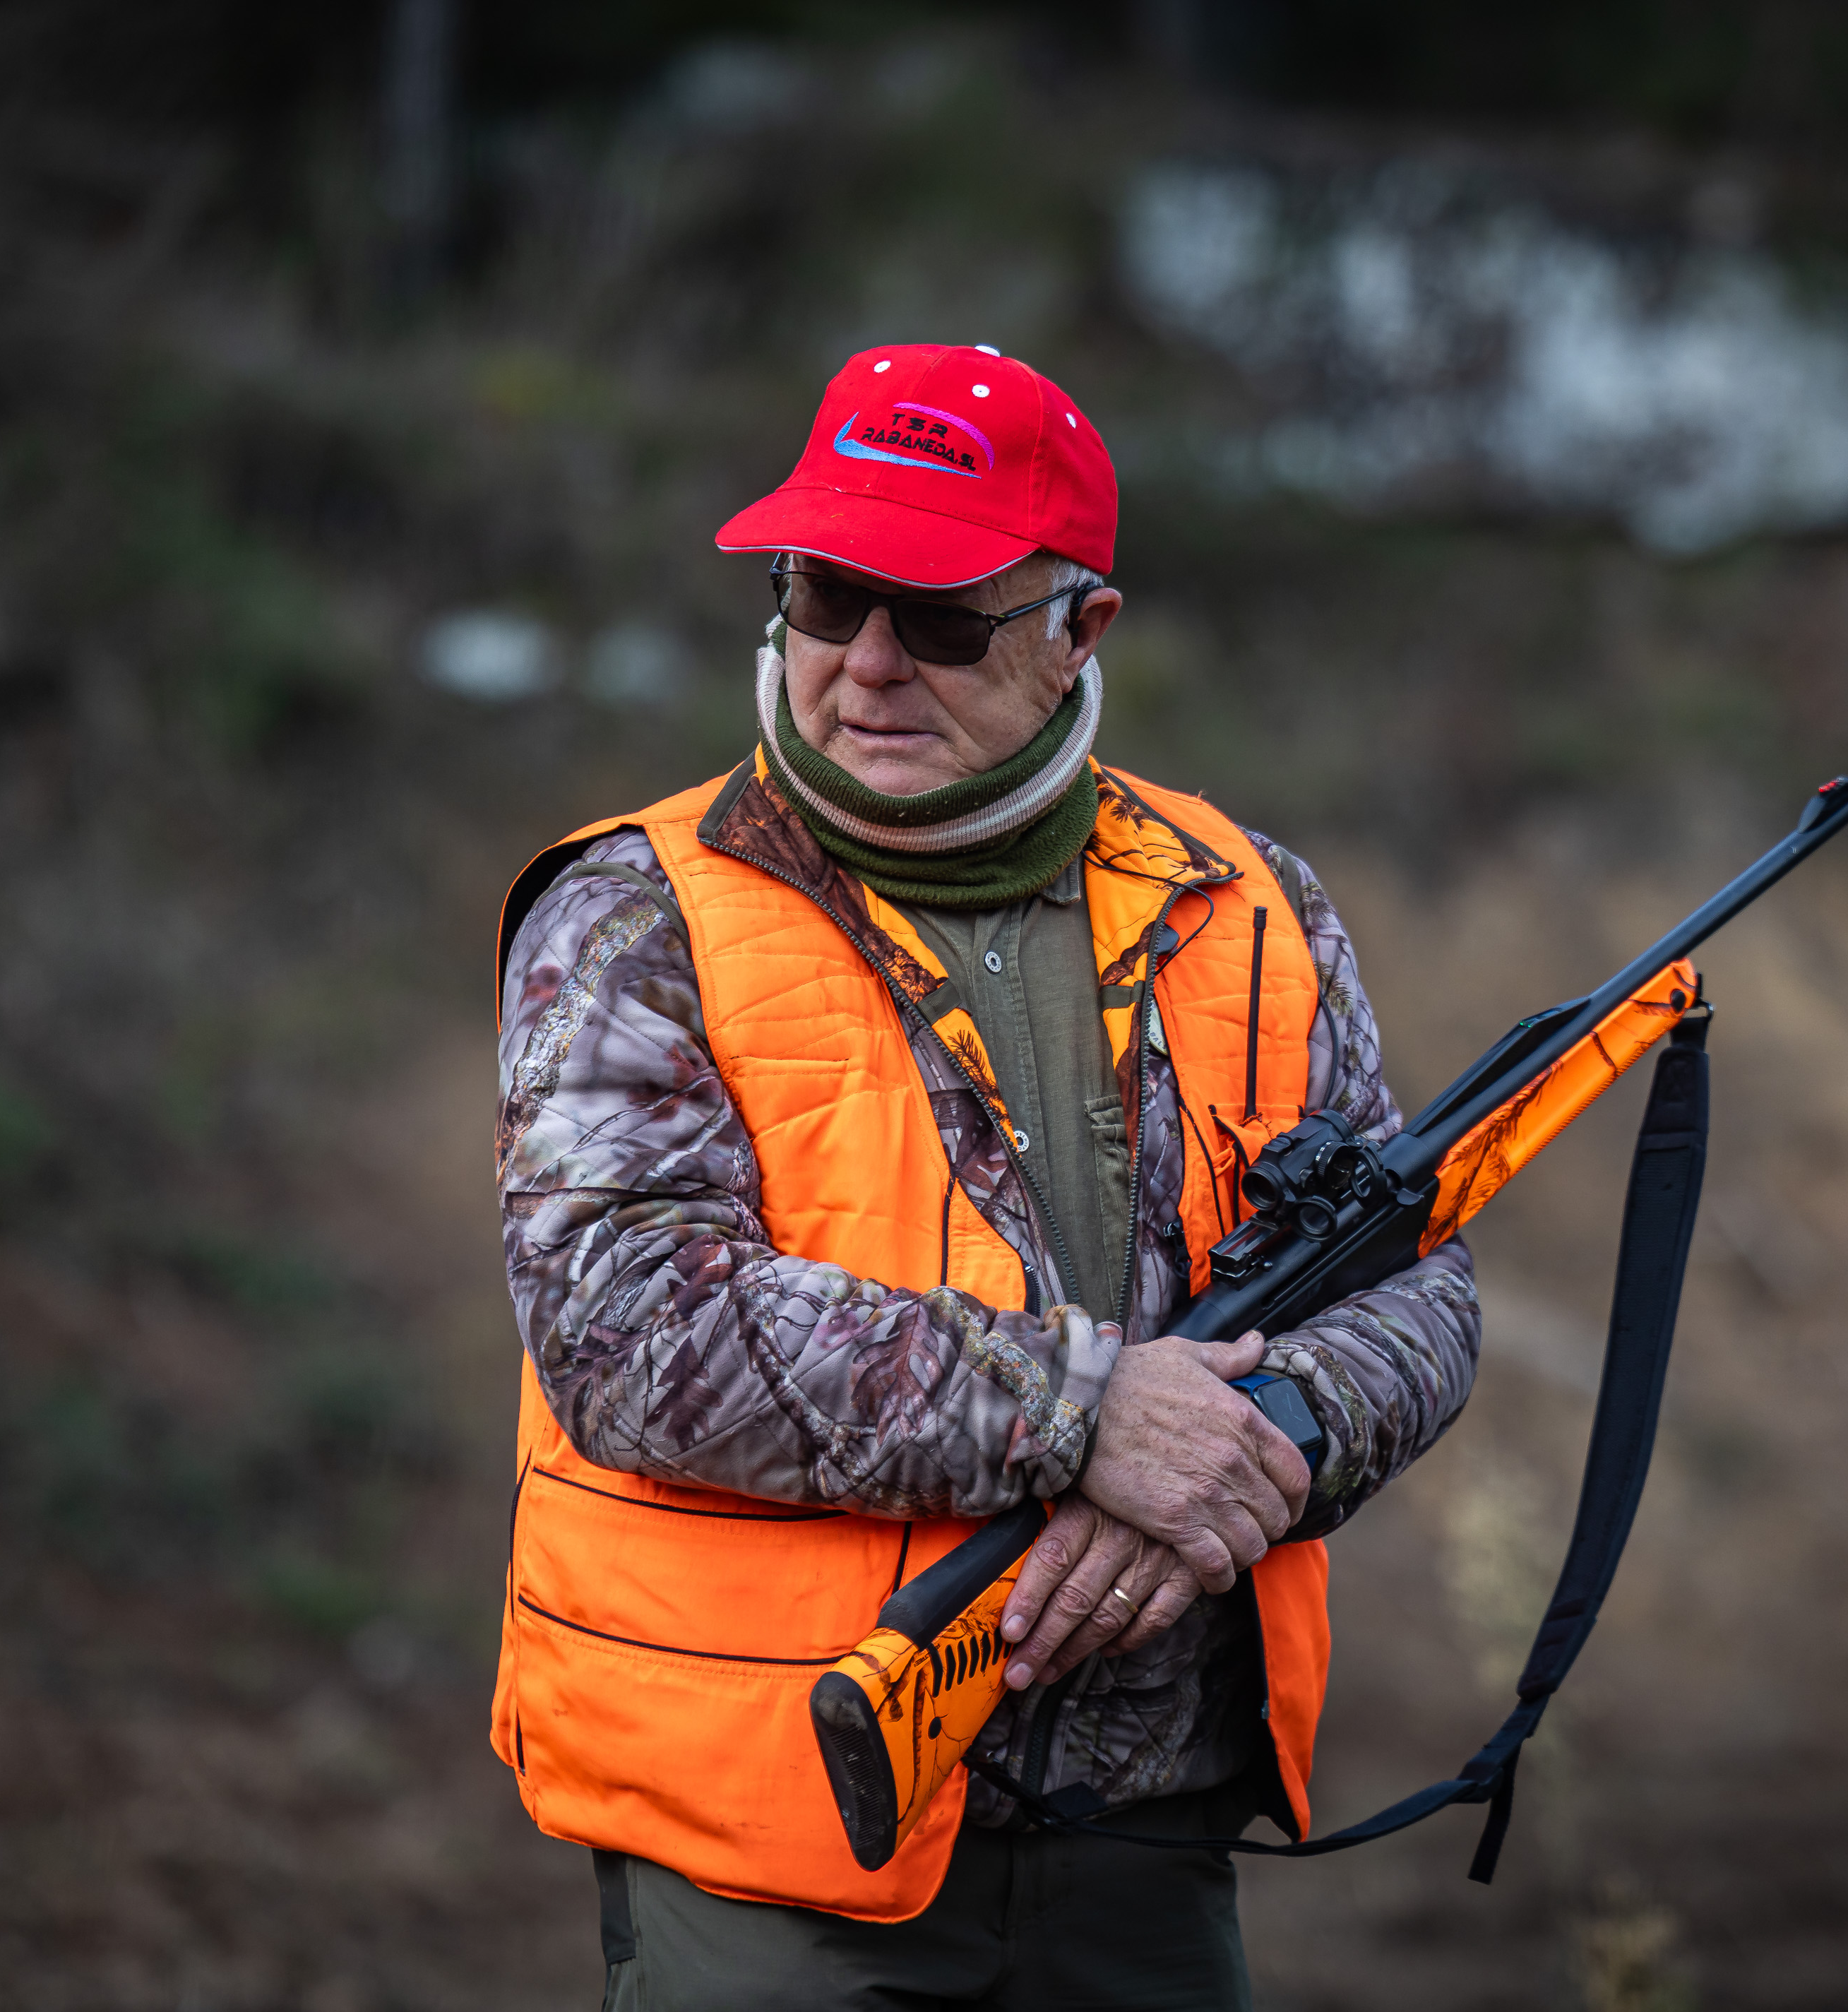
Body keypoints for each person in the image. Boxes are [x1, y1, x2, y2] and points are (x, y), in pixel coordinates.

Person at [491, 343, 1480, 2011]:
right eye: (824, 599)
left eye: (942, 619)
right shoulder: (637, 912)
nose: (868, 667)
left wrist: (1260, 1452)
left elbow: (1414, 1280)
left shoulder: (1251, 898)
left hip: (1147, 1827)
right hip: (783, 1846)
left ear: (1081, 629)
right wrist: (1093, 1410)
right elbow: (626, 1328)